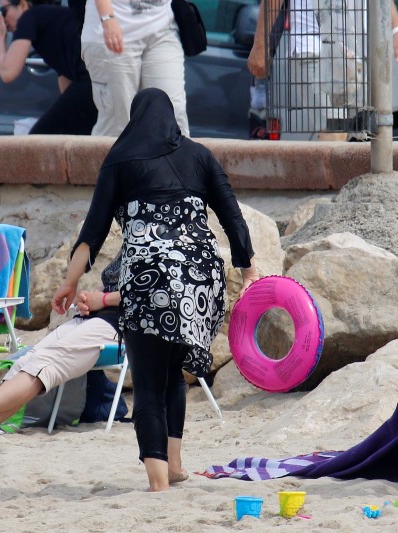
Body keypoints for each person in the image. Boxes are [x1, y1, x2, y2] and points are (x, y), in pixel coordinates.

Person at [53, 88, 258, 491]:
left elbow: (91, 234)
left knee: (147, 380)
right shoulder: (199, 154)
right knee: (171, 374)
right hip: (197, 281)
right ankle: (175, 463)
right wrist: (248, 268)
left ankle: (159, 484)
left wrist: (70, 281)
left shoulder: (120, 158)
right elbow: (231, 212)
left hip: (149, 279)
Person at [0, 254, 123, 438]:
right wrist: (90, 299)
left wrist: (104, 300)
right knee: (26, 360)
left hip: (122, 326)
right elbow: (112, 284)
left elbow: (149, 293)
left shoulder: (152, 244)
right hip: (93, 317)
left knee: (42, 365)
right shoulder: (133, 241)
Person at [247, 0, 398, 138]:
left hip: (350, 53)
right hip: (311, 50)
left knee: (347, 135)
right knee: (334, 131)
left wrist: (397, 29)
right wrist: (260, 47)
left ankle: (329, 175)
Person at [80, 0, 190, 137]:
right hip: (114, 29)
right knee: (118, 124)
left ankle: (179, 158)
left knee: (173, 116)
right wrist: (107, 18)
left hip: (163, 28)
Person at [0, 0, 98, 135]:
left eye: (3, 12)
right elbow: (67, 84)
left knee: (38, 140)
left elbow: (8, 73)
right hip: (98, 82)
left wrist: (1, 38)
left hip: (90, 82)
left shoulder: (29, 17)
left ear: (23, 5)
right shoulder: (52, 20)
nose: (2, 19)